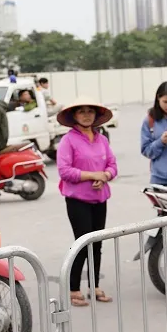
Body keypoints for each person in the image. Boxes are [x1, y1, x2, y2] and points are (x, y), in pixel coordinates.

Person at [55, 97, 118, 307]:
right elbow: (64, 171)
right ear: (74, 115)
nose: (86, 115)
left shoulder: (102, 140)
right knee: (81, 244)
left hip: (100, 198)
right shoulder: (68, 140)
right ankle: (73, 289)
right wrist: (93, 175)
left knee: (97, 244)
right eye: (81, 111)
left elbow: (112, 165)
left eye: (90, 111)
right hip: (77, 200)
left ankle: (95, 286)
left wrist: (105, 176)